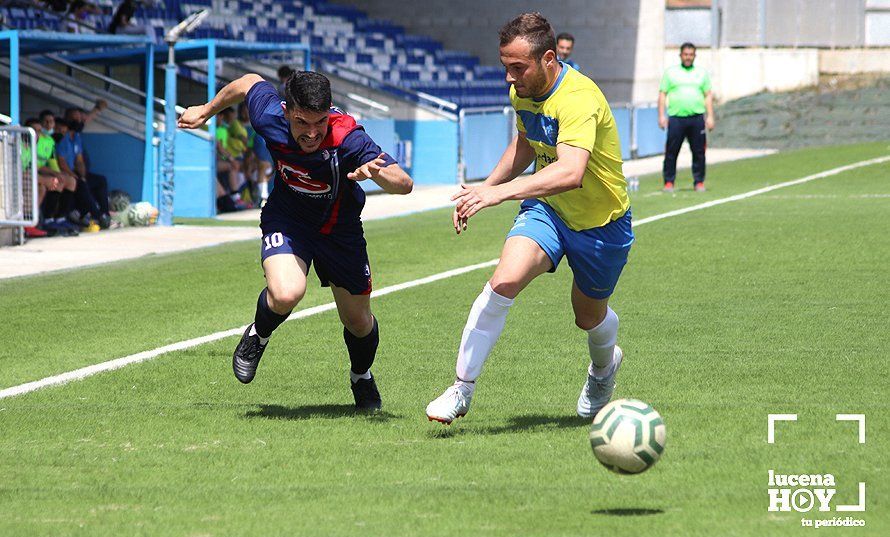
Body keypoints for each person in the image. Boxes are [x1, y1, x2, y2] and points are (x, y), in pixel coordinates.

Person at [426, 12, 633, 424]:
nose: (510, 78)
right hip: (548, 210)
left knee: (588, 317)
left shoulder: (579, 98)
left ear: (549, 59)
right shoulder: (523, 91)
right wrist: (483, 187)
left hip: (601, 224)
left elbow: (571, 172)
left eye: (517, 68)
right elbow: (525, 144)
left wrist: (497, 194)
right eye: (506, 67)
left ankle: (603, 368)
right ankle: (461, 388)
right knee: (503, 281)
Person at [178, 71, 413, 410]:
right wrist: (206, 109)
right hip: (288, 219)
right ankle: (257, 335)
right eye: (303, 122)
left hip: (340, 230)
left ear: (330, 112)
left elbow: (404, 184)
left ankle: (361, 376)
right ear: (286, 111)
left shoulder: (347, 137)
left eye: (320, 122)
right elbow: (248, 82)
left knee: (359, 322)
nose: (312, 133)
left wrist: (376, 173)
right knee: (287, 292)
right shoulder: (268, 115)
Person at [657, 42, 715, 192]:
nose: (688, 57)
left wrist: (710, 116)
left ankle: (699, 182)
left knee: (699, 152)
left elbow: (708, 95)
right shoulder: (671, 73)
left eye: (691, 55)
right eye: (685, 54)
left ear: (694, 55)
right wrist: (661, 115)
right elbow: (663, 94)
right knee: (671, 151)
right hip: (676, 118)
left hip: (696, 118)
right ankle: (669, 182)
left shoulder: (701, 73)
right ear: (681, 55)